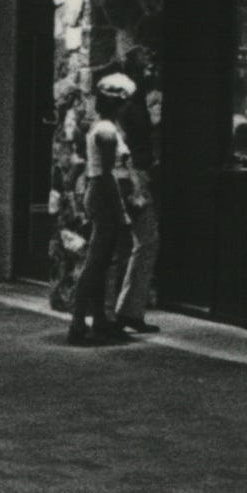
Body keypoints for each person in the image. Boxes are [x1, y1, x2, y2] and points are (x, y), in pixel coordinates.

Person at [65, 75, 136, 344]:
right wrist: (122, 212)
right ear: (119, 103)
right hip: (103, 195)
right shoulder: (106, 131)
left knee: (102, 261)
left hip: (99, 192)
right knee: (96, 262)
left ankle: (97, 319)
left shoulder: (103, 127)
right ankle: (78, 321)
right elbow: (106, 175)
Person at [110, 74, 162, 336]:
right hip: (134, 179)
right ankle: (126, 310)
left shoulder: (115, 115)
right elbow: (137, 151)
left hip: (120, 179)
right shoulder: (136, 112)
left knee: (123, 245)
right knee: (146, 240)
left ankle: (117, 311)